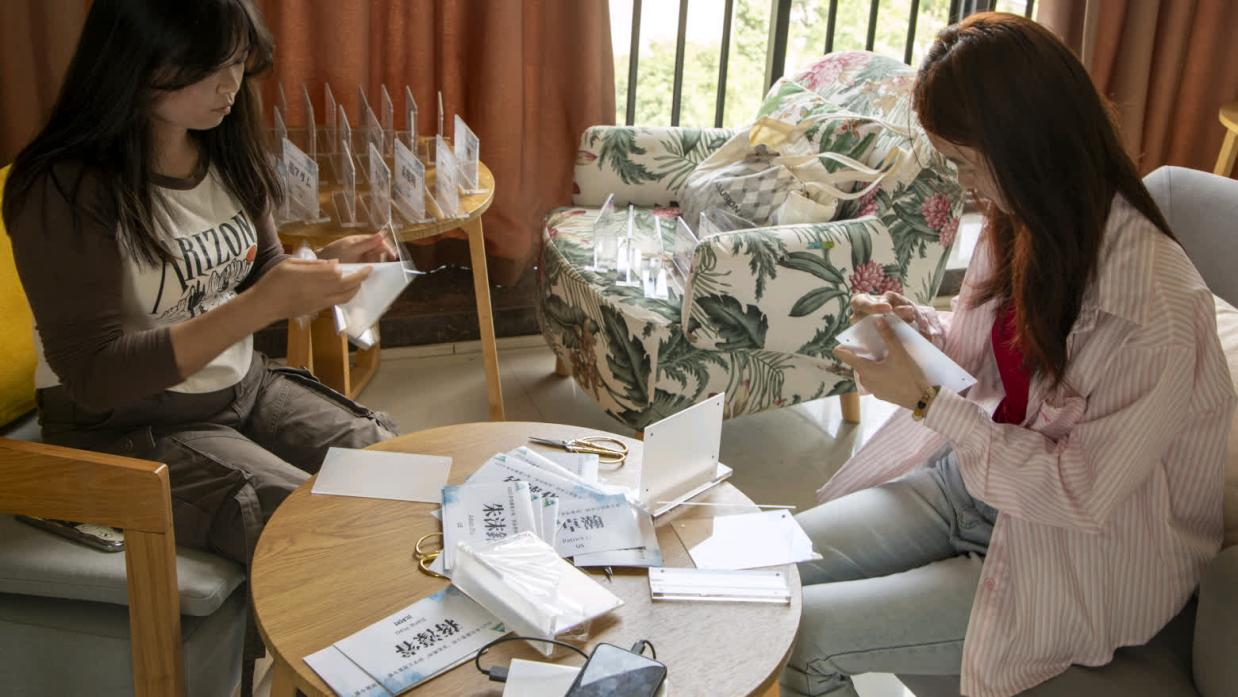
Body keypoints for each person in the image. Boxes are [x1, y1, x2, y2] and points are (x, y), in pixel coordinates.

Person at [782, 13, 1235, 697]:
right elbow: (994, 366)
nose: (966, 186)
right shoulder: (1023, 225)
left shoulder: (1154, 308)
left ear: (1029, 146)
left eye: (967, 163)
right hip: (968, 487)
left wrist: (927, 402)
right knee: (762, 572)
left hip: (1079, 555)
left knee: (801, 633)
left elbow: (1079, 495)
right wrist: (916, 331)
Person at [2, 0, 398, 571]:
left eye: (238, 61)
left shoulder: (220, 143)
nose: (230, 84)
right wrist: (259, 306)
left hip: (241, 385)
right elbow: (93, 375)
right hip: (130, 421)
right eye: (209, 65)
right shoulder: (64, 188)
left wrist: (323, 266)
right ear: (136, 59)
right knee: (315, 537)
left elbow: (258, 269)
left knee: (393, 464)